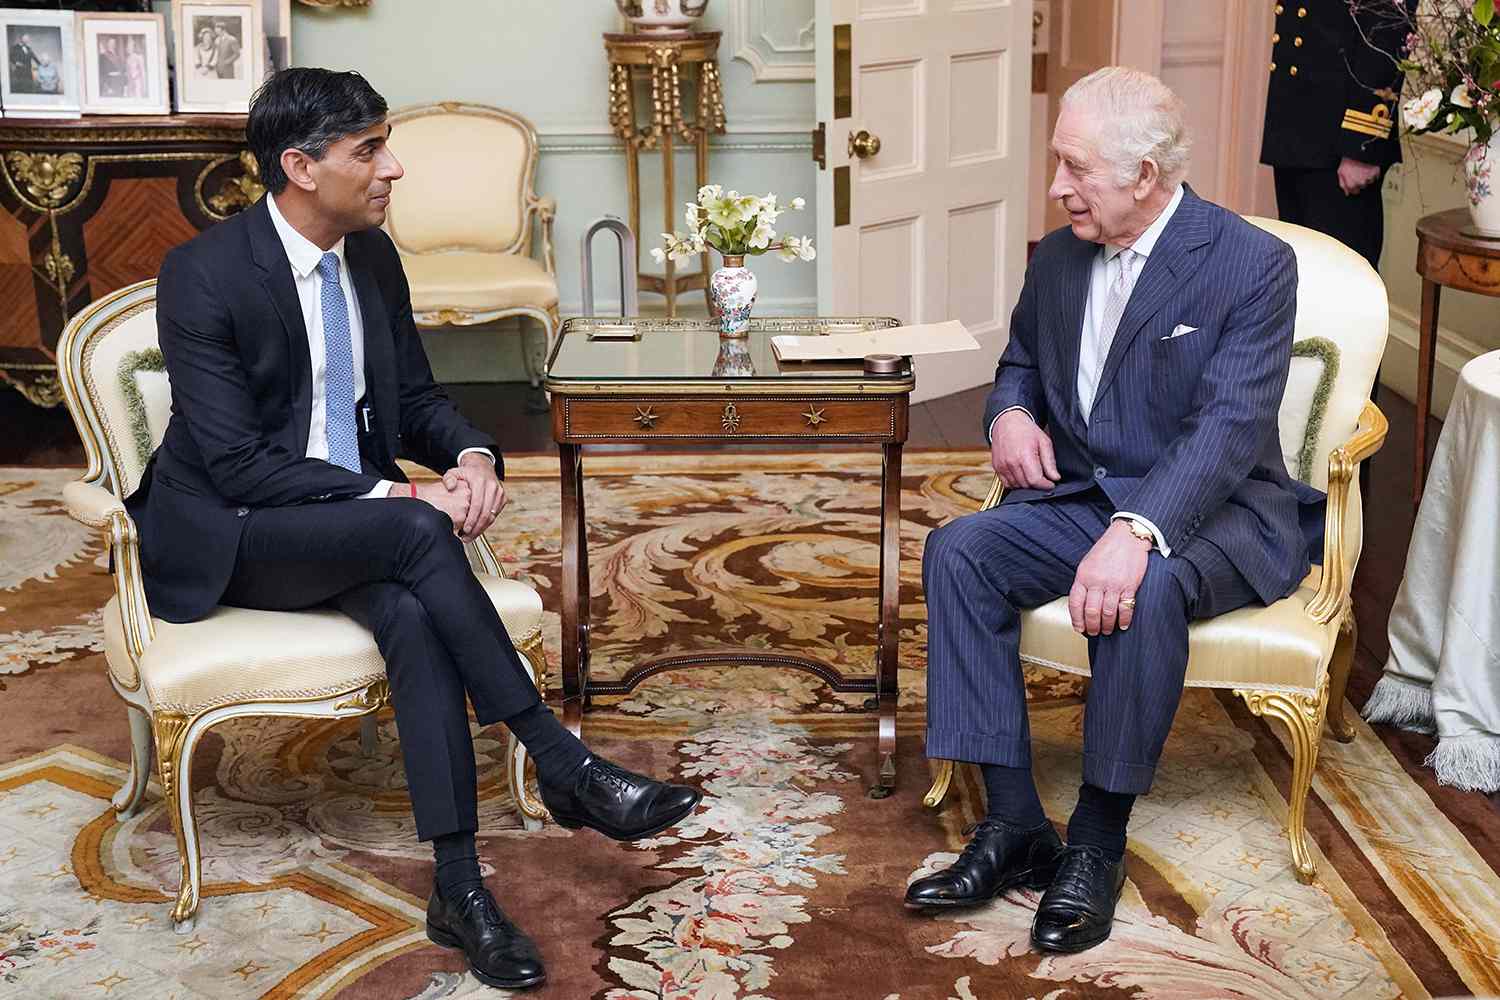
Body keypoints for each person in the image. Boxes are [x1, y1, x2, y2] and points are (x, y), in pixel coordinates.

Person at [134, 68, 701, 991]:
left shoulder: (373, 255)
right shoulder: (204, 273)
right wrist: (399, 498)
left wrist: (472, 457)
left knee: (409, 609)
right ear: (300, 166)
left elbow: (418, 404)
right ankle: (561, 761)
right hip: (236, 532)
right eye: (369, 151)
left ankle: (457, 888)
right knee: (412, 534)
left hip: (342, 527)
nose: (393, 168)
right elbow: (236, 464)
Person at [904, 67, 1322, 955]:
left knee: (1148, 587)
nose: (1054, 187)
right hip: (1087, 493)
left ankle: (1096, 840)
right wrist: (1010, 413)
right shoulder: (1059, 254)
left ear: (1144, 173)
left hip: (1219, 511)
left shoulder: (1249, 263)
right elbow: (1020, 360)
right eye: (1057, 162)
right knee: (959, 552)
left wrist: (1136, 533)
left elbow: (1228, 429)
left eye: (1074, 167)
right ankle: (1014, 824)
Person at [1259, 0, 1416, 271]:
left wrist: (1362, 145)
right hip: (1296, 132)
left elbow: (1385, 31)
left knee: (1342, 283)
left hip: (1341, 146)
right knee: (1300, 281)